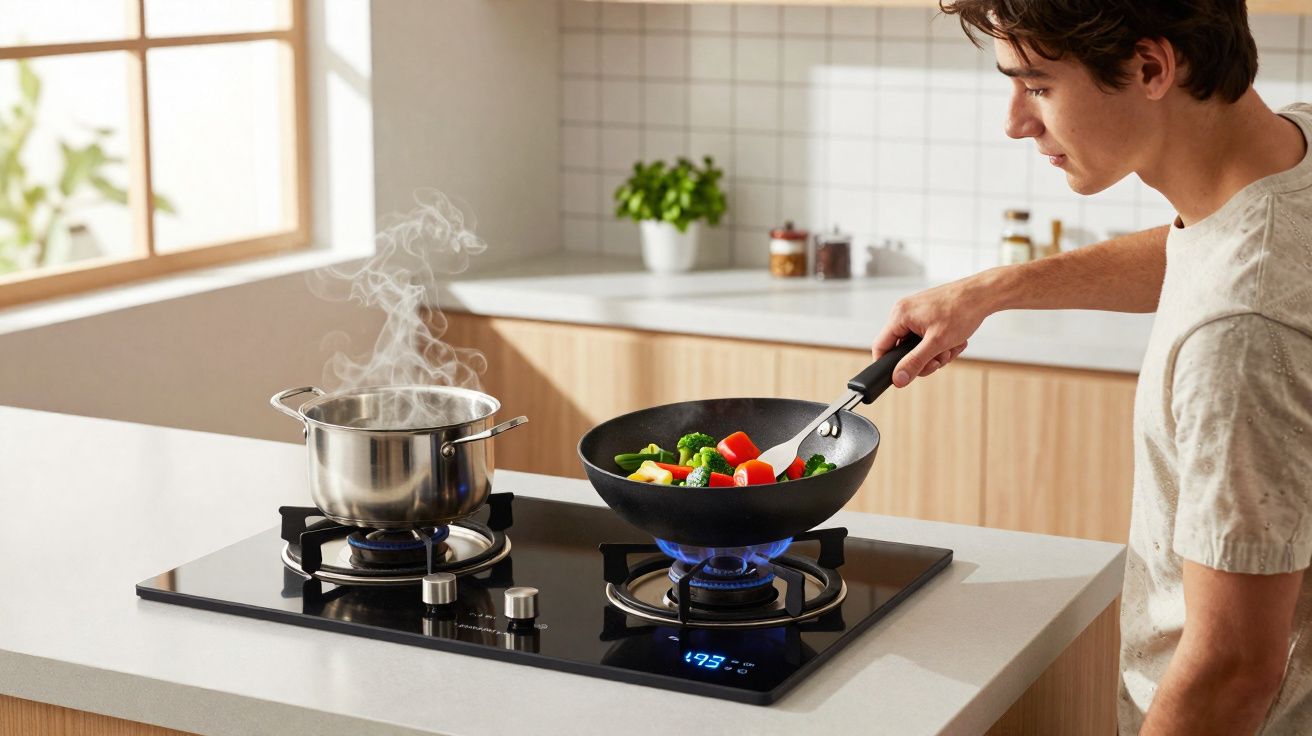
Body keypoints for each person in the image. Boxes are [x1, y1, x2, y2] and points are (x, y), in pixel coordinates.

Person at [873, 1, 1312, 733]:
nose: (1016, 121)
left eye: (1038, 86)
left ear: (1150, 68)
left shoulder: (1238, 338)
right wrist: (993, 290)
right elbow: (1211, 250)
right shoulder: (1291, 150)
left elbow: (1233, 670)